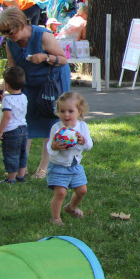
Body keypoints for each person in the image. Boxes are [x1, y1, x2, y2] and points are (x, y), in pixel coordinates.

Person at [0, 6, 71, 179]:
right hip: (28, 81)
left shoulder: (43, 36)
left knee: (50, 122)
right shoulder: (10, 42)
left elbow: (63, 59)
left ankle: (43, 169)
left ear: (20, 24)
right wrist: (4, 84)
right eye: (3, 32)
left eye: (9, 31)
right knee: (23, 122)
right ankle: (21, 167)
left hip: (52, 81)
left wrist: (45, 57)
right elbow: (12, 66)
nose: (7, 35)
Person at [46, 91, 93, 225]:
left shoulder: (82, 127)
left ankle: (71, 208)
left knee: (82, 190)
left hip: (75, 166)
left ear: (79, 112)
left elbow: (89, 145)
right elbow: (49, 147)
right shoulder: (56, 128)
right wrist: (55, 146)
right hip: (58, 166)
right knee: (60, 193)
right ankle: (55, 218)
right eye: (62, 111)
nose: (66, 115)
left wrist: (83, 141)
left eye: (70, 111)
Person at [0, 66, 29, 184]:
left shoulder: (7, 100)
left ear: (7, 85)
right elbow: (14, 105)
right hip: (23, 129)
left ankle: (11, 179)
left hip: (11, 131)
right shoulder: (23, 97)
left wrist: (0, 131)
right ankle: (21, 176)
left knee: (11, 155)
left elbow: (7, 116)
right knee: (22, 154)